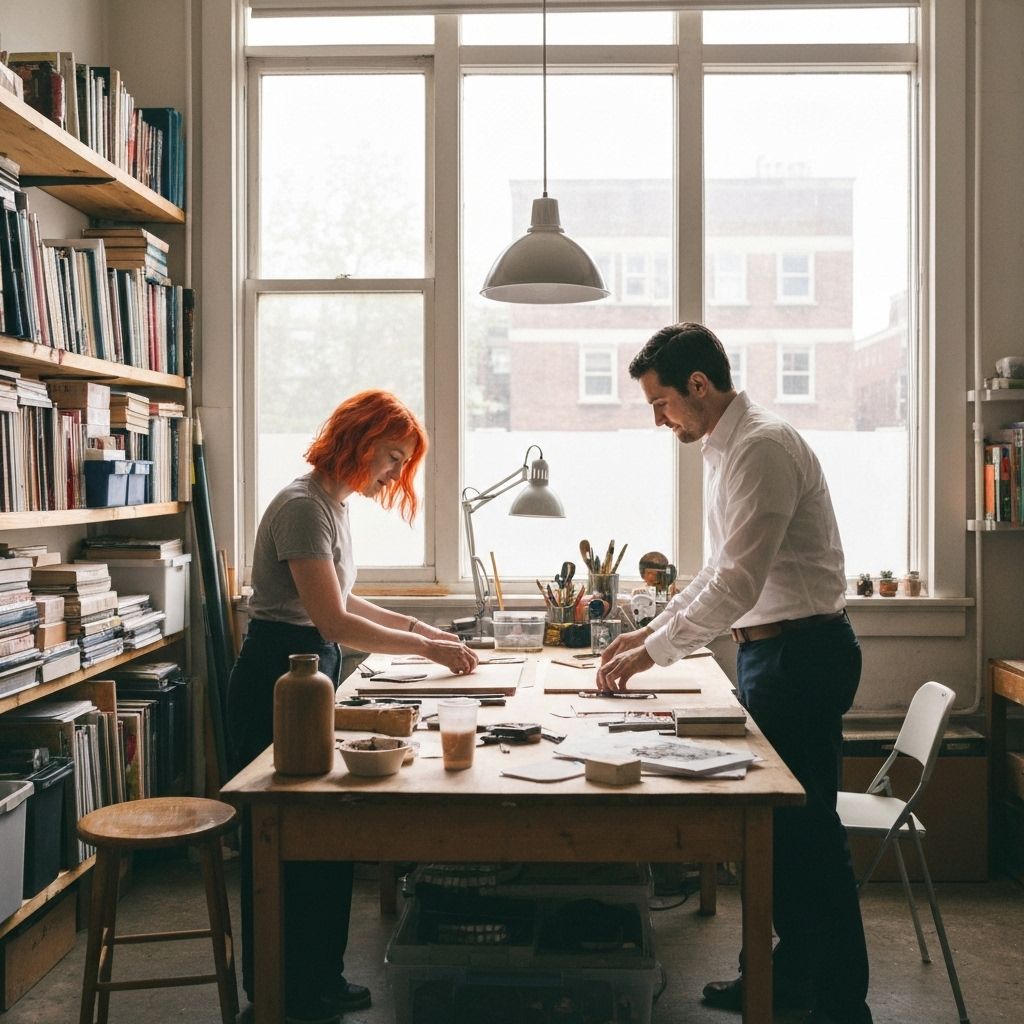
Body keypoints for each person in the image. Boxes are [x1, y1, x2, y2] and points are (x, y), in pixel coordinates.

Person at [597, 323, 871, 1024]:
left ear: (698, 385)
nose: (658, 419)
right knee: (776, 834)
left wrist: (657, 651)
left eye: (661, 403)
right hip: (770, 652)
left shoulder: (761, 448)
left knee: (807, 836)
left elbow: (738, 583)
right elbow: (718, 574)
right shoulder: (727, 450)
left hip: (801, 655)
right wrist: (649, 635)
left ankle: (841, 1007)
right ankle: (778, 983)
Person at [227, 389, 479, 1024]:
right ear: (360, 442)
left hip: (312, 665)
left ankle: (319, 976)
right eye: (391, 457)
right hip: (280, 673)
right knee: (284, 834)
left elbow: (350, 603)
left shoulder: (333, 506)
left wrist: (426, 635)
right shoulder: (302, 507)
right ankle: (282, 986)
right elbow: (333, 620)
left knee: (325, 827)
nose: (394, 474)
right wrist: (425, 649)